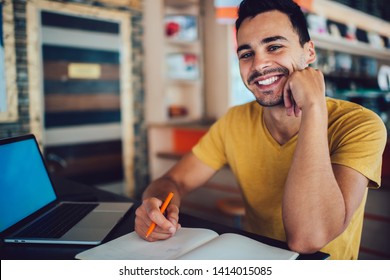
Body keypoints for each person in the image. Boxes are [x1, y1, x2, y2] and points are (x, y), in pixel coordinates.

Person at [135, 0, 387, 259]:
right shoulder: (235, 121)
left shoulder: (360, 125)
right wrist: (154, 205)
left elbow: (308, 239)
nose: (258, 64)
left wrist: (313, 106)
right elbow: (174, 181)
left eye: (274, 46)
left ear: (309, 52)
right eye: (246, 54)